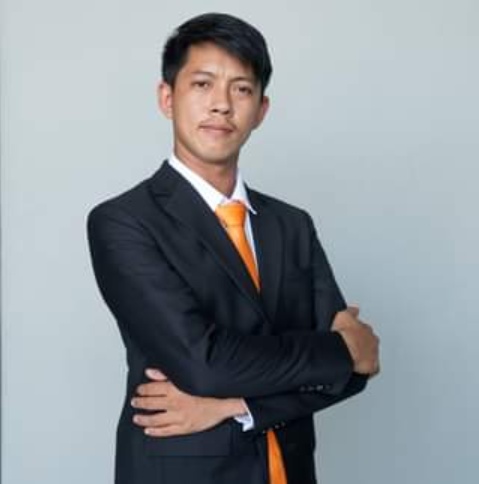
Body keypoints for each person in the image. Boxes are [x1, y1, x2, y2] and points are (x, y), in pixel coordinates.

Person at [87, 12, 380, 484]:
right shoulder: (124, 221)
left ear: (261, 109)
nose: (221, 105)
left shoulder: (292, 225)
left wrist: (237, 405)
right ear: (167, 97)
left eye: (241, 89)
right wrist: (339, 348)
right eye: (202, 84)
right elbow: (204, 364)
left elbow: (355, 370)